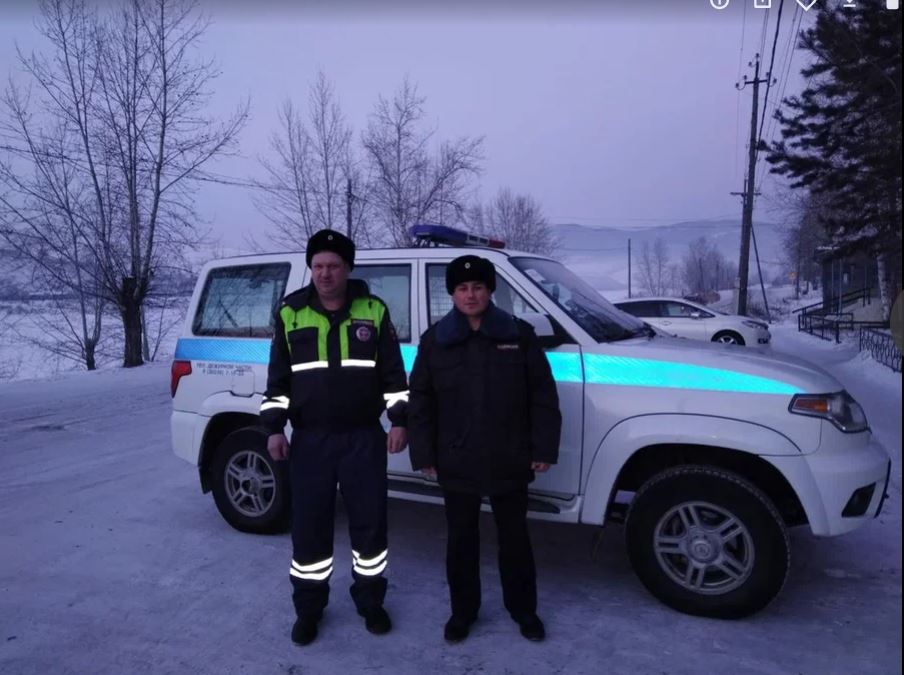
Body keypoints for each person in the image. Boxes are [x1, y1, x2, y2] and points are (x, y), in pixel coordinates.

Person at [259, 229, 409, 646]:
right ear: (311, 268)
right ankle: (309, 610)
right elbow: (278, 380)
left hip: (363, 438)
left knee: (370, 527)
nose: (325, 273)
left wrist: (399, 420)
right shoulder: (290, 314)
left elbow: (393, 375)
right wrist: (274, 428)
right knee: (309, 528)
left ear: (348, 268)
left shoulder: (373, 310)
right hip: (311, 441)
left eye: (334, 266)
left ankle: (371, 602)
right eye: (318, 266)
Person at [408, 254, 561, 643]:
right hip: (456, 457)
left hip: (509, 455)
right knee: (461, 541)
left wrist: (543, 447)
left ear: (490, 290)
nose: (470, 294)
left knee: (515, 540)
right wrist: (424, 454)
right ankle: (463, 612)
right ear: (452, 294)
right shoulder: (435, 340)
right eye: (462, 288)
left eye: (478, 287)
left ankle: (524, 610)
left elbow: (542, 395)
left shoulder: (518, 335)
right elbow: (421, 401)